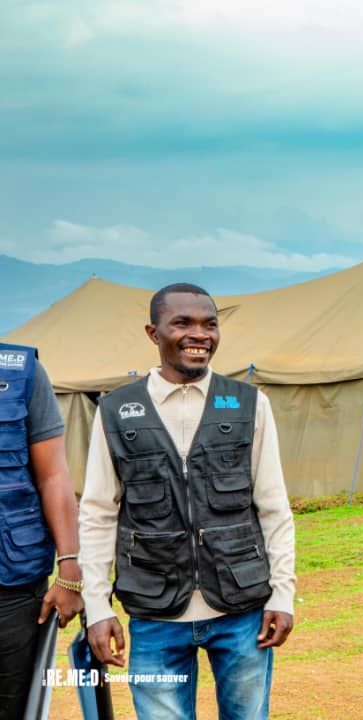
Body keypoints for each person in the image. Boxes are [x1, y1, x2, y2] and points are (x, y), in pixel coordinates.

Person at [79, 282, 297, 720]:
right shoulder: (117, 411)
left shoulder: (249, 405)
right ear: (153, 332)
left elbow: (274, 507)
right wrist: (97, 607)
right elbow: (98, 514)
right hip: (156, 615)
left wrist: (283, 596)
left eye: (210, 324)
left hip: (240, 610)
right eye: (183, 323)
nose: (200, 335)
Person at [0, 343, 83, 719]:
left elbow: (53, 476)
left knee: (13, 705)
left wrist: (69, 568)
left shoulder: (19, 370)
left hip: (12, 582)